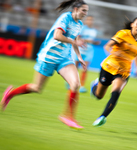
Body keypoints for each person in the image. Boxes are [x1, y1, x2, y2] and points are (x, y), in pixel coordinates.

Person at [1, 0, 89, 130]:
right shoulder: (65, 18)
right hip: (48, 57)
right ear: (75, 9)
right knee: (37, 88)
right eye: (84, 10)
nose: (85, 13)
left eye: (86, 11)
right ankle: (10, 94)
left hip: (64, 58)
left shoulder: (79, 24)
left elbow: (75, 40)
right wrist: (74, 43)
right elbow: (57, 35)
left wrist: (79, 57)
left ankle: (68, 116)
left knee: (75, 84)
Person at [91, 17, 137, 127]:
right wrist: (114, 54)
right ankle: (95, 85)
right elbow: (107, 46)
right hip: (108, 67)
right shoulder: (123, 34)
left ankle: (102, 117)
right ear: (132, 25)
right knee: (99, 96)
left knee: (115, 93)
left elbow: (136, 53)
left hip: (123, 72)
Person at [71, 15, 100, 93]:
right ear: (86, 20)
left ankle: (82, 86)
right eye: (89, 19)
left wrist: (94, 42)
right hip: (79, 50)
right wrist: (90, 41)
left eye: (91, 20)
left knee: (85, 68)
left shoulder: (94, 31)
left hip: (89, 51)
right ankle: (72, 82)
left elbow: (90, 40)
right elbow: (78, 38)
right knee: (75, 67)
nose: (90, 21)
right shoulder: (82, 28)